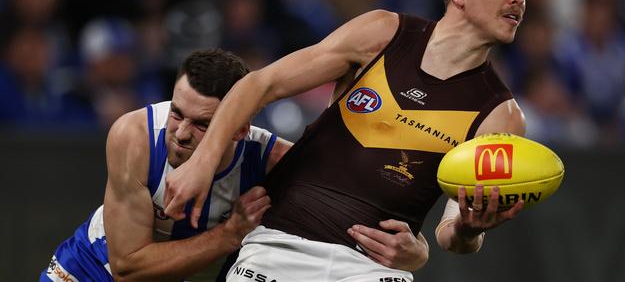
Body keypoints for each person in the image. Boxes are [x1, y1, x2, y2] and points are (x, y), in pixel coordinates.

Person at [164, 0, 533, 282]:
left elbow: (449, 233)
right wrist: (202, 161)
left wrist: (468, 231)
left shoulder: (502, 115)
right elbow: (261, 84)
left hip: (371, 269)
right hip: (279, 243)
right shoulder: (384, 34)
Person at [40, 49, 429, 282]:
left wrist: (418, 253)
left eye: (203, 124)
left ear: (238, 128)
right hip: (90, 272)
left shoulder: (274, 160)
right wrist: (230, 234)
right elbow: (128, 268)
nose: (180, 133)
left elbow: (356, 206)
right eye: (177, 113)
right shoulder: (135, 136)